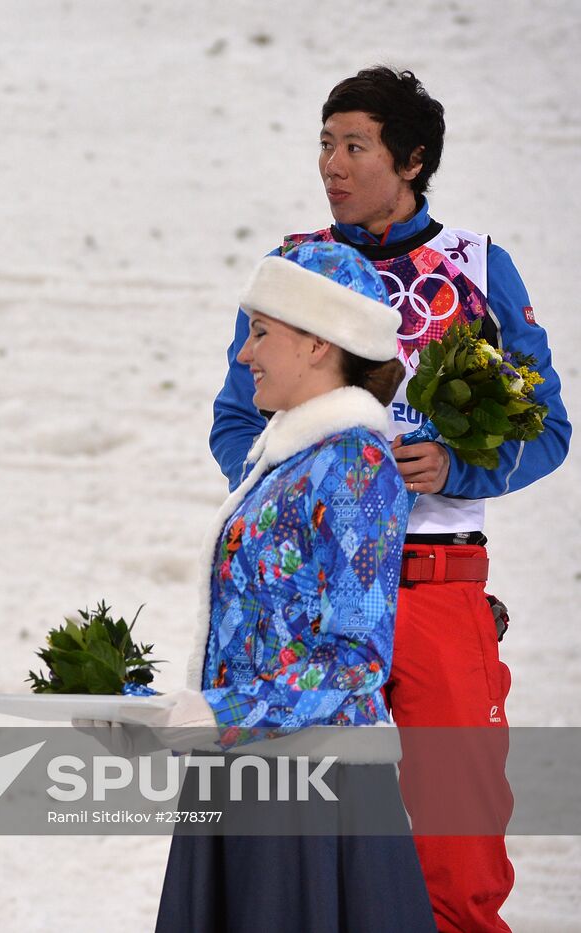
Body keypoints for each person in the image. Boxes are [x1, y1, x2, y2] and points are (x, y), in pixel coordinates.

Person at [209, 66, 570, 933]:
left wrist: (456, 469)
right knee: (296, 842)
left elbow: (548, 428)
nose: (332, 164)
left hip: (436, 590)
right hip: (314, 606)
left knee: (461, 850)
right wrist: (301, 494)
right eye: (326, 144)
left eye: (355, 146)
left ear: (412, 160)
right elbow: (233, 427)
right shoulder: (294, 267)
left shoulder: (477, 269)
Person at [130, 241, 431, 932]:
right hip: (251, 773)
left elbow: (355, 657)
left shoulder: (355, 465)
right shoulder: (292, 460)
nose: (245, 354)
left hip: (310, 799)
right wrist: (163, 713)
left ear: (320, 343)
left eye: (262, 331)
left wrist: (218, 711)